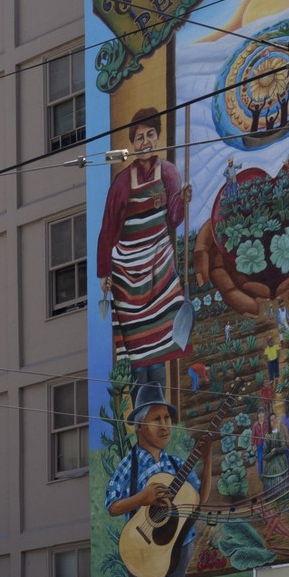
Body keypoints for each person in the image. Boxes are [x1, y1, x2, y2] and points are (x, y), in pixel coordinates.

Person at [98, 109, 194, 392]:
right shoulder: (121, 184)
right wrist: (104, 272)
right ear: (131, 143)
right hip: (128, 276)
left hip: (160, 269)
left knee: (161, 348)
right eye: (139, 137)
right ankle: (143, 416)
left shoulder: (168, 172)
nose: (145, 142)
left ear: (158, 136)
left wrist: (183, 201)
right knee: (139, 355)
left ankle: (159, 411)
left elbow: (174, 217)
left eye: (150, 134)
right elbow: (107, 229)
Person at [105, 385, 207, 577]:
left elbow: (199, 500)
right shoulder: (130, 464)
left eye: (167, 419)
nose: (164, 426)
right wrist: (142, 498)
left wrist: (209, 454)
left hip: (179, 550)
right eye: (156, 419)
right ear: (139, 426)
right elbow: (112, 505)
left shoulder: (176, 463)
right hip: (141, 552)